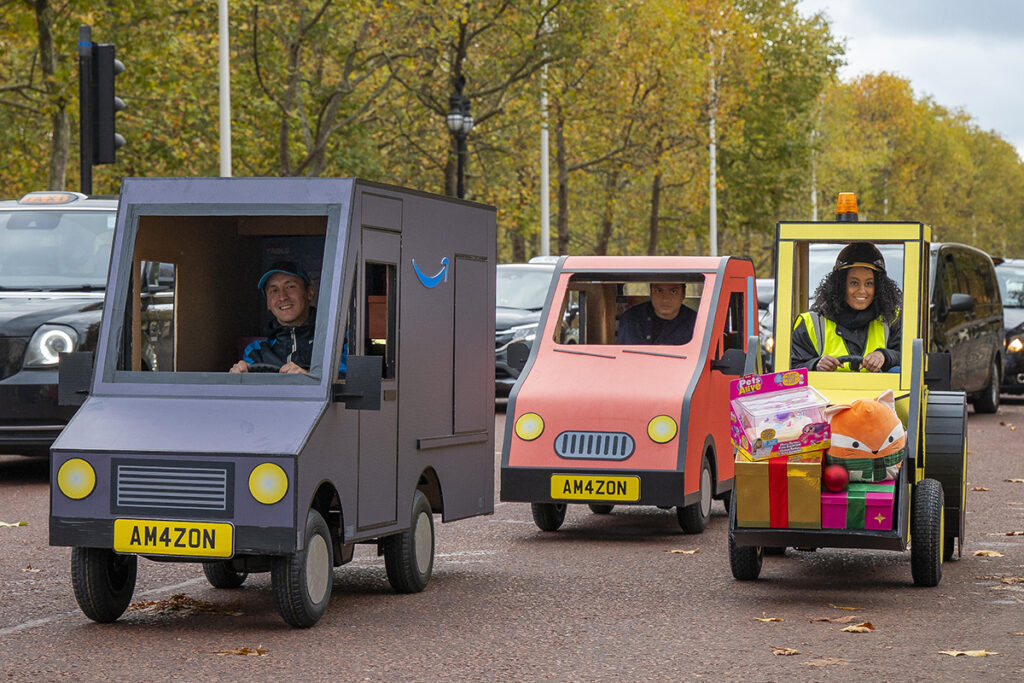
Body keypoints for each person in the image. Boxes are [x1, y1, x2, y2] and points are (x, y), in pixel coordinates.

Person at [791, 242, 902, 372]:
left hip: (882, 392)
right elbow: (790, 371)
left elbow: (911, 358)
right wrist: (815, 365)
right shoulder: (810, 323)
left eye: (869, 283)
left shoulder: (892, 319)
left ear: (878, 287)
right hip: (824, 392)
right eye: (854, 283)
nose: (862, 291)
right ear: (841, 285)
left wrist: (884, 356)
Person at [230, 261, 316, 374]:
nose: (282, 297)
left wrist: (308, 378)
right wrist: (238, 381)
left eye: (290, 286)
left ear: (309, 293)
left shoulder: (335, 342)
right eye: (274, 290)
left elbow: (343, 383)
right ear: (268, 304)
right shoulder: (256, 350)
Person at [616, 282, 697, 345]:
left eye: (673, 291)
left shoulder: (697, 323)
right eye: (659, 291)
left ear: (683, 294)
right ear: (651, 292)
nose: (665, 299)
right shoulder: (631, 319)